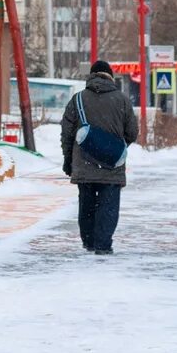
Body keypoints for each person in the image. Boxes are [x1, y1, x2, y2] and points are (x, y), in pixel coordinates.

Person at [60, 59, 140, 256]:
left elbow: (67, 133)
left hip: (83, 164)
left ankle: (88, 242)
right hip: (112, 165)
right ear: (110, 76)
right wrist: (112, 148)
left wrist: (68, 159)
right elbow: (132, 132)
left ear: (91, 76)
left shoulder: (78, 100)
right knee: (109, 205)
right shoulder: (121, 100)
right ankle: (103, 245)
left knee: (86, 203)